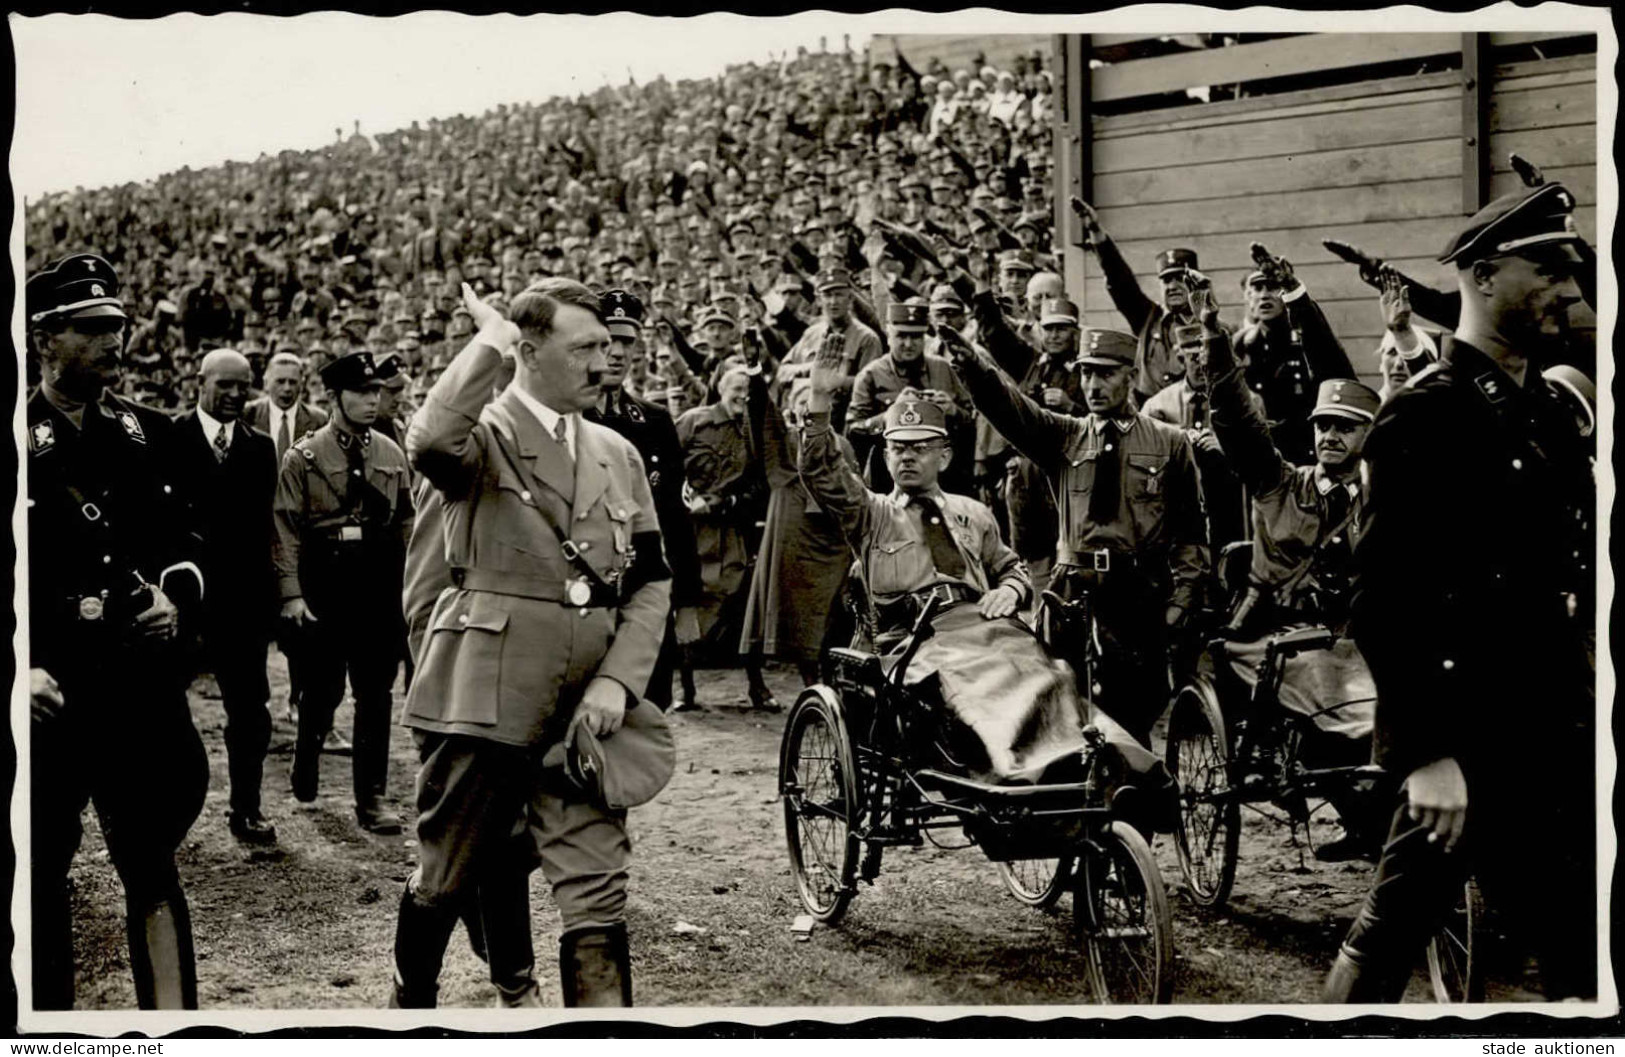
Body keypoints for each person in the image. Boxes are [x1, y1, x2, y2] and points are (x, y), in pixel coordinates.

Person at [1325, 182, 1597, 1002]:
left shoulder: (1549, 411)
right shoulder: (1421, 417)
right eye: (1546, 267)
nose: (1569, 288)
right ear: (1482, 274)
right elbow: (1382, 595)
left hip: (1555, 727)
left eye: (1570, 268)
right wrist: (1426, 752)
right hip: (1468, 743)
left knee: (1580, 945)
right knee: (1388, 940)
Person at [393, 281, 671, 1008]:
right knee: (445, 873)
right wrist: (485, 342)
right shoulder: (483, 439)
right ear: (528, 351)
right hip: (487, 703)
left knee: (596, 892)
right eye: (585, 347)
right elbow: (430, 442)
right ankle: (404, 1010)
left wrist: (618, 680)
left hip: (585, 710)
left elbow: (650, 580)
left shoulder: (617, 450)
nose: (605, 361)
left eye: (609, 346)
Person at [26, 253, 209, 1009]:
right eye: (93, 328)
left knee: (152, 864)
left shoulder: (146, 432)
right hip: (51, 694)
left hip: (135, 687)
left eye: (119, 326)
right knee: (39, 873)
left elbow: (186, 545)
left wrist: (174, 597)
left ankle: (175, 1027)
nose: (114, 340)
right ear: (45, 339)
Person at [942, 322, 1207, 748]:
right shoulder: (1064, 436)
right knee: (1066, 714)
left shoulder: (1169, 443)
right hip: (1073, 595)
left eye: (1105, 373)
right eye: (1086, 373)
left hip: (1138, 595)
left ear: (1130, 375)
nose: (1093, 385)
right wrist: (974, 365)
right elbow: (1012, 410)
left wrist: (1182, 601)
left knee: (1134, 716)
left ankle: (1130, 802)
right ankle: (1081, 809)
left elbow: (1192, 533)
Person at [1201, 313, 1386, 860]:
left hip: (1353, 640)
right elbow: (1237, 423)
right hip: (1275, 641)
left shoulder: (1385, 500)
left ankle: (1370, 814)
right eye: (1322, 425)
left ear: (1368, 437)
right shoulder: (1280, 483)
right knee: (1333, 706)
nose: (1329, 436)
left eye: (1344, 427)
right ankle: (1364, 811)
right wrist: (1215, 344)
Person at [272, 350, 413, 835]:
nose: (372, 401)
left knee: (376, 694)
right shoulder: (303, 457)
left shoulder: (391, 454)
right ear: (334, 397)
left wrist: (413, 588)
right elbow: (286, 527)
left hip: (378, 583)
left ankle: (370, 797)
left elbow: (408, 524)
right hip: (326, 581)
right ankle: (306, 753)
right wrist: (291, 593)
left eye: (376, 392)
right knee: (324, 687)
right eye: (360, 392)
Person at [171, 349, 281, 845]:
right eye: (226, 385)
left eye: (244, 386)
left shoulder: (260, 449)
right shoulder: (169, 438)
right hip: (184, 605)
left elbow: (264, 529)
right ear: (200, 382)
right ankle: (166, 815)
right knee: (167, 709)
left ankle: (246, 808)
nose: (237, 395)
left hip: (242, 606)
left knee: (250, 713)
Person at [586, 289, 705, 711]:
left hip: (644, 599)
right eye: (607, 341)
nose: (616, 353)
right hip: (584, 601)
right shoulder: (567, 418)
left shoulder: (654, 421)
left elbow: (675, 514)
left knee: (646, 719)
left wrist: (687, 600)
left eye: (627, 342)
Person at [676, 365, 778, 711]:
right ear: (720, 388)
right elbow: (666, 465)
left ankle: (757, 687)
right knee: (688, 603)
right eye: (736, 388)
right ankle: (685, 690)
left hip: (735, 532)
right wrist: (686, 498)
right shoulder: (694, 422)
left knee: (745, 606)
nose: (742, 396)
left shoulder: (758, 431)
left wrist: (724, 503)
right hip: (691, 532)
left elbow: (764, 486)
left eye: (748, 390)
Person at [1070, 196, 1207, 404]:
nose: (1172, 286)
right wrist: (1096, 231)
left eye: (1180, 279)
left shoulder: (1210, 324)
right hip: (1150, 419)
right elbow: (1120, 281)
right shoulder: (1147, 318)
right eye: (1166, 280)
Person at [1232, 243, 1356, 466]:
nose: (1264, 295)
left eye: (1272, 287)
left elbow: (1335, 372)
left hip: (1303, 455)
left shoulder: (1304, 338)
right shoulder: (1241, 344)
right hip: (1258, 456)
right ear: (1248, 298)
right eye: (1257, 289)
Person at [847, 300, 973, 492]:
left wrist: (953, 411)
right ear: (888, 336)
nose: (908, 344)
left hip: (945, 478)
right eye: (901, 336)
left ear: (925, 337)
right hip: (889, 480)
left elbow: (973, 422)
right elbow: (852, 431)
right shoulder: (871, 375)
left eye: (915, 337)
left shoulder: (944, 369)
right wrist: (889, 416)